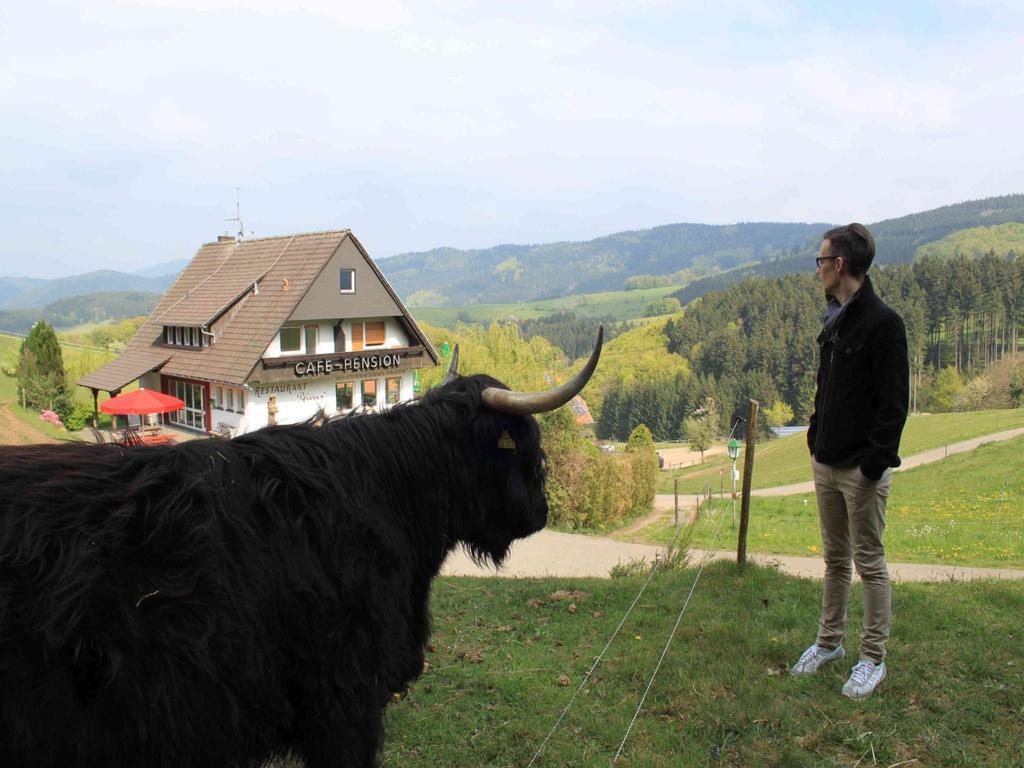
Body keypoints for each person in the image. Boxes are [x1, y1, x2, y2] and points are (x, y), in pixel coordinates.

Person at [790, 223, 909, 700]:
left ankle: (872, 659)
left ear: (839, 265)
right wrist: (816, 438)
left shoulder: (884, 323)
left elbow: (893, 405)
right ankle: (828, 644)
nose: (817, 269)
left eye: (821, 261)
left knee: (870, 563)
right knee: (835, 560)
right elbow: (827, 388)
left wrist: (873, 464)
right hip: (827, 462)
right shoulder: (834, 318)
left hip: (861, 470)